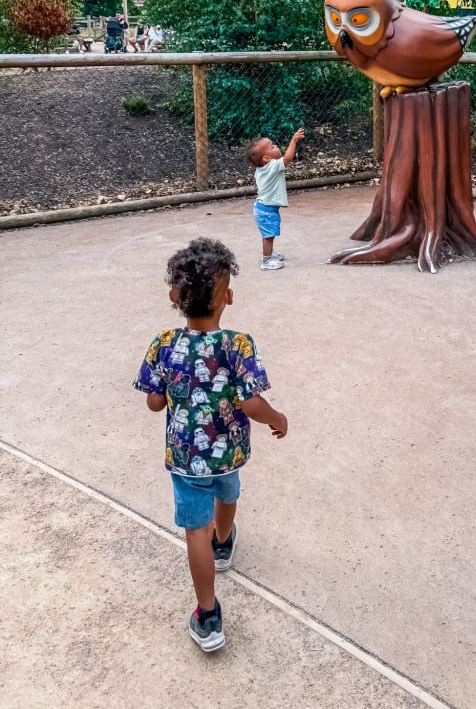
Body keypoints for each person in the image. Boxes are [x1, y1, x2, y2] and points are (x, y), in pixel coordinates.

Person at [133, 237, 288, 652]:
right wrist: (277, 418)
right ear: (228, 298)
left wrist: (168, 393)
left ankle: (208, 614)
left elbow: (153, 403)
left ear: (174, 297)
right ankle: (223, 542)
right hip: (229, 451)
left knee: (193, 533)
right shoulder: (238, 345)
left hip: (186, 459)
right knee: (228, 492)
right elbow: (251, 403)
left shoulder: (164, 344)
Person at [245, 128, 305, 271]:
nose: (276, 146)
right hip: (266, 210)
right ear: (266, 158)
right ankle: (266, 261)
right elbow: (288, 158)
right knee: (269, 236)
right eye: (272, 147)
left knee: (268, 235)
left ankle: (270, 254)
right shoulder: (272, 166)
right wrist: (293, 140)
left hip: (263, 209)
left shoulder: (262, 169)